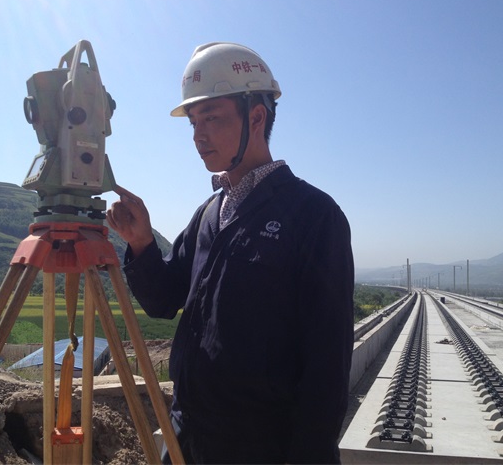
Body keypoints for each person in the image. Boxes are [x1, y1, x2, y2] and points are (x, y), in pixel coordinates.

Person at [107, 42, 354, 464]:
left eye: (212, 118)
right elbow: (164, 302)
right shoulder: (209, 213)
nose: (198, 135)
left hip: (260, 447)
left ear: (256, 117)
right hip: (188, 437)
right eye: (193, 122)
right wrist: (142, 244)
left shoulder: (313, 215)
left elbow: (327, 367)